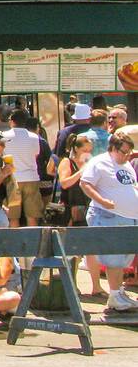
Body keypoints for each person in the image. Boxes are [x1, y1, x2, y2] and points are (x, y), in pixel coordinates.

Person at [80, 129, 138, 312]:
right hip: (106, 215)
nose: (127, 155)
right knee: (113, 257)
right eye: (124, 151)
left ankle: (118, 292)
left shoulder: (126, 164)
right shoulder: (99, 162)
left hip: (127, 218)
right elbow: (85, 183)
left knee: (122, 259)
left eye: (129, 152)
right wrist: (103, 201)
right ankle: (114, 295)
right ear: (113, 148)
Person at [57, 133, 103, 296]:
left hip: (86, 208)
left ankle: (96, 287)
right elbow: (64, 183)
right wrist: (81, 171)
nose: (88, 152)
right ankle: (72, 286)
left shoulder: (90, 163)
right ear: (75, 149)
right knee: (71, 250)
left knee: (90, 248)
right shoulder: (66, 162)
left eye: (90, 150)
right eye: (85, 150)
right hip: (70, 210)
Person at [4, 108, 51, 227]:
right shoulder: (35, 137)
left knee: (13, 216)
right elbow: (36, 154)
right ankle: (33, 242)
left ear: (12, 121)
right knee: (32, 215)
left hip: (12, 178)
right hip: (31, 177)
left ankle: (15, 241)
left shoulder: (4, 136)